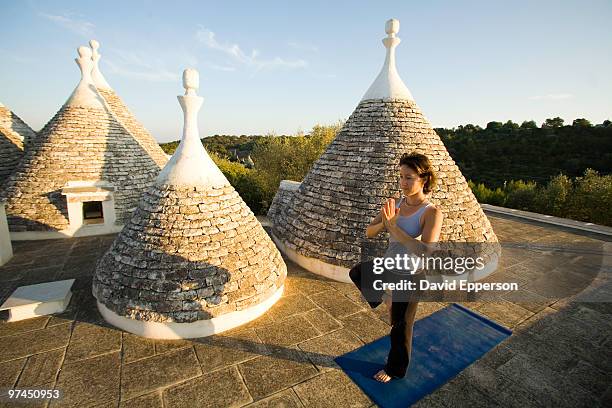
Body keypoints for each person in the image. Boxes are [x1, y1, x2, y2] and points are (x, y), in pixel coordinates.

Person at [349, 152, 443, 383]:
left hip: (411, 275)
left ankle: (395, 370)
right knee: (358, 272)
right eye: (401, 176)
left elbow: (425, 250)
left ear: (424, 179)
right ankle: (387, 299)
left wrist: (394, 228)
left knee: (401, 327)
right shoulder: (394, 204)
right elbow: (369, 232)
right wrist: (384, 222)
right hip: (390, 264)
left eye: (409, 177)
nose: (403, 182)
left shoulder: (431, 212)